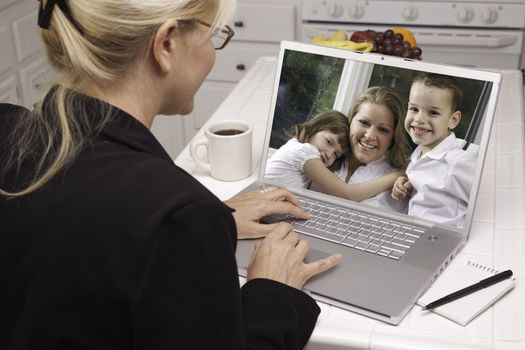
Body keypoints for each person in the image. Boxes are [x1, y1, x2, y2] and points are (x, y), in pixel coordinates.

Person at [0, 1, 341, 349]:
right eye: (213, 37)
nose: (212, 53)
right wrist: (273, 291)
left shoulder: (7, 128)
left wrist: (188, 227)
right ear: (166, 44)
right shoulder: (178, 216)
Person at [391, 73, 476, 228]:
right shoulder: (418, 154)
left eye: (433, 112)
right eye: (414, 109)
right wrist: (406, 185)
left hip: (444, 242)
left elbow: (490, 206)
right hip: (415, 235)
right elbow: (432, 189)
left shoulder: (458, 162)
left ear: (453, 120)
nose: (419, 119)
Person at [307, 86, 409, 209]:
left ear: (393, 137)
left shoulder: (399, 185)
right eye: (364, 122)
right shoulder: (323, 151)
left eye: (383, 130)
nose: (369, 136)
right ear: (350, 119)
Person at [264, 110, 350, 189]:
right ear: (315, 128)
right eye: (328, 142)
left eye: (336, 154)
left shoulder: (308, 169)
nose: (329, 154)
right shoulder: (305, 151)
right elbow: (346, 193)